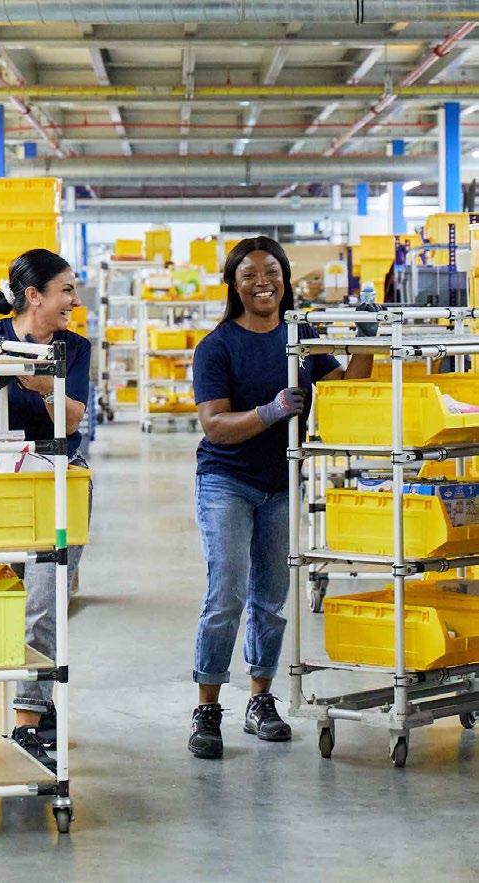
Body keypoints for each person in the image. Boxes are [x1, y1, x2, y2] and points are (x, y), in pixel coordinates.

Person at [188, 236, 377, 760]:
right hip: (226, 481)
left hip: (281, 482)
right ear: (234, 285)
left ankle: (260, 699)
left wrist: (365, 339)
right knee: (226, 594)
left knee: (270, 597)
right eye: (248, 275)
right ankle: (207, 709)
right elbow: (214, 425)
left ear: (285, 278)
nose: (262, 283)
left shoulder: (301, 336)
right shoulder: (217, 347)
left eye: (271, 271)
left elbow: (342, 389)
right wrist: (270, 413)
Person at [0, 248, 91, 772]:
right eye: (66, 290)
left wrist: (44, 383)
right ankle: (28, 705)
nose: (75, 300)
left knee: (44, 603)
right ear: (34, 296)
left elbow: (70, 422)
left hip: (56, 482)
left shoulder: (75, 348)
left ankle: (27, 720)